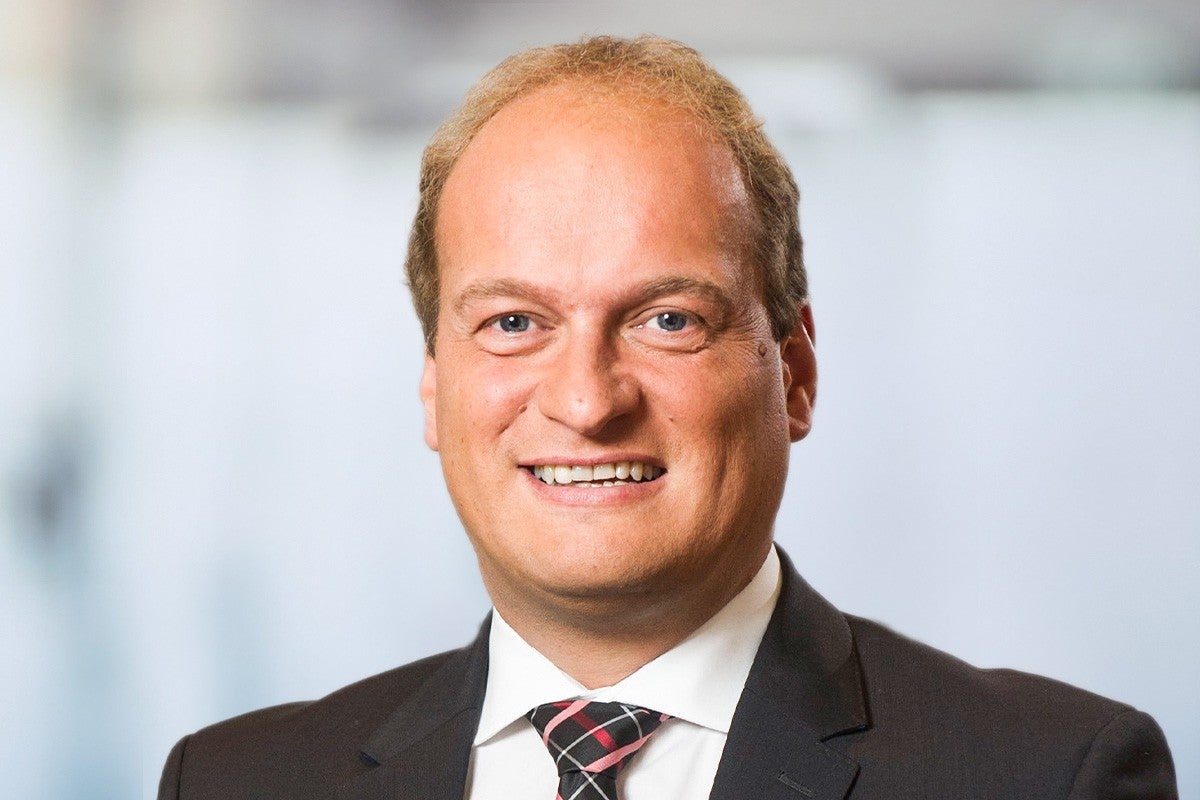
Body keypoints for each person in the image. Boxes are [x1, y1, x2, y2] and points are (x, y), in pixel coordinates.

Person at [157, 35, 1177, 800]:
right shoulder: (237, 781)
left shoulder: (1049, 774)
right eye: (513, 322)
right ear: (434, 385)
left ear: (795, 371)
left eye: (668, 319)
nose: (587, 401)